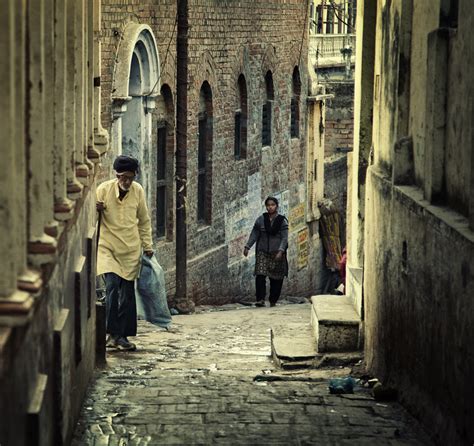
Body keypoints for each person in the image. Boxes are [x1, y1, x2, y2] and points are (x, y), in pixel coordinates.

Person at [96, 155, 154, 351]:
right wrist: (95, 209)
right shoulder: (103, 190)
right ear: (117, 175)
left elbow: (144, 221)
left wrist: (148, 245)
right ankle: (112, 333)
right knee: (112, 287)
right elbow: (90, 216)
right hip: (107, 247)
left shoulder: (138, 191)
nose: (127, 181)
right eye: (123, 177)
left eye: (130, 177)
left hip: (130, 249)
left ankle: (122, 336)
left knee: (127, 294)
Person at [244, 196, 289, 307]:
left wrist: (281, 251)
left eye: (272, 205)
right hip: (262, 252)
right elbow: (254, 234)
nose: (270, 207)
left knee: (276, 278)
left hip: (277, 252)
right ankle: (260, 299)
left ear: (277, 206)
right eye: (268, 205)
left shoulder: (282, 221)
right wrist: (247, 246)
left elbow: (284, 238)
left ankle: (273, 300)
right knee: (260, 274)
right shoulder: (261, 220)